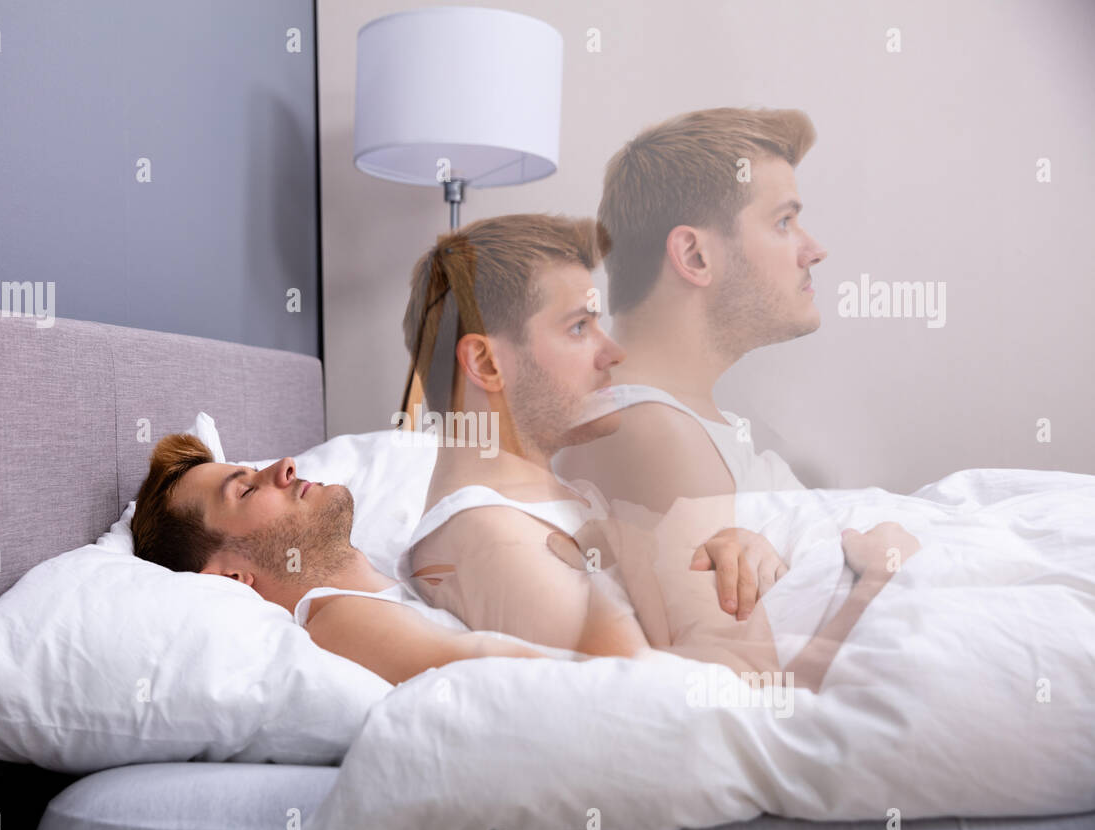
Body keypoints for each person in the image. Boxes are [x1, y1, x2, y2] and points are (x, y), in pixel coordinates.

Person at [396, 212, 916, 691]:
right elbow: (712, 723)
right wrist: (876, 582)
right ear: (486, 365)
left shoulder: (553, 509)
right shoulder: (494, 540)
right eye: (579, 327)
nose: (612, 353)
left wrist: (735, 550)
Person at [130, 432, 576, 686]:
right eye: (246, 490)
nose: (284, 466)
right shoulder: (337, 618)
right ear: (232, 577)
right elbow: (502, 675)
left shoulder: (410, 577)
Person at [556, 107, 826, 513]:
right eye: (784, 222)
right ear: (695, 256)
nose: (814, 251)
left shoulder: (679, 427)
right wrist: (876, 564)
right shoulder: (653, 435)